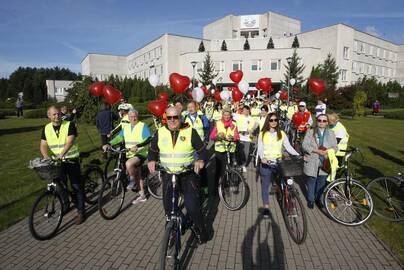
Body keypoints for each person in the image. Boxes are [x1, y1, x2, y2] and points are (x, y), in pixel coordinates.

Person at [148, 107, 208, 243]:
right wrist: (151, 159)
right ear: (166, 118)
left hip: (187, 175)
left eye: (175, 117)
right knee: (168, 206)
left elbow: (202, 150)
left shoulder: (190, 132)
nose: (173, 120)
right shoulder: (160, 132)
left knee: (192, 207)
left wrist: (200, 160)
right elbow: (152, 150)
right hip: (169, 174)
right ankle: (174, 226)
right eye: (169, 118)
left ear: (180, 117)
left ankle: (201, 230)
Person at [40, 106, 85, 224]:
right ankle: (66, 205)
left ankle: (81, 212)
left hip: (71, 159)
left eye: (58, 114)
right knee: (60, 185)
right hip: (58, 161)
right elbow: (43, 145)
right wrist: (45, 157)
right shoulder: (46, 128)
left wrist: (62, 154)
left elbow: (70, 141)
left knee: (76, 185)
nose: (57, 116)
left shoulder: (69, 124)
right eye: (54, 114)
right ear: (49, 116)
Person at [103, 109, 151, 204]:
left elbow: (148, 139)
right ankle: (142, 195)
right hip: (129, 153)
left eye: (135, 116)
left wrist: (138, 146)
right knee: (138, 175)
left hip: (141, 153)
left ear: (138, 116)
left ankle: (132, 180)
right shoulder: (126, 127)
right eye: (131, 116)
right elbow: (119, 138)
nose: (133, 118)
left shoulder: (142, 126)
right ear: (128, 118)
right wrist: (108, 144)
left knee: (129, 164)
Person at [257, 112, 300, 218]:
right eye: (271, 120)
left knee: (288, 182)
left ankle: (290, 202)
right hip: (266, 163)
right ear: (268, 121)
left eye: (275, 120)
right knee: (265, 185)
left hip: (279, 163)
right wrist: (263, 158)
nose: (273, 122)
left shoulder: (281, 133)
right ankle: (266, 207)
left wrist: (298, 155)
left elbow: (288, 147)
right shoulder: (262, 134)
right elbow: (260, 148)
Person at [302, 113, 338, 209]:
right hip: (312, 160)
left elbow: (335, 147)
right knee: (311, 181)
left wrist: (328, 151)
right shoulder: (310, 132)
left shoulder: (331, 133)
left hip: (325, 162)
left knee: (321, 182)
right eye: (319, 120)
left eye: (324, 121)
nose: (321, 122)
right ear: (317, 121)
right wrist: (316, 150)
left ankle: (317, 198)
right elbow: (304, 145)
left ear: (327, 123)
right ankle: (310, 199)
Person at [210, 108, 240, 190]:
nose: (226, 116)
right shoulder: (218, 123)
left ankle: (228, 184)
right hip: (220, 150)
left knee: (229, 168)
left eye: (228, 115)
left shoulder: (234, 124)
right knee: (219, 169)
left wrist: (233, 137)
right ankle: (216, 187)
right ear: (222, 115)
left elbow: (237, 137)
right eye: (225, 114)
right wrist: (218, 136)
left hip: (230, 149)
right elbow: (212, 136)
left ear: (231, 115)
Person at [234, 105, 255, 173]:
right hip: (239, 137)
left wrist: (251, 130)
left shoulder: (251, 119)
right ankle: (238, 164)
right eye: (244, 110)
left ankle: (243, 165)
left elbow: (252, 128)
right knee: (239, 152)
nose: (245, 111)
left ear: (249, 111)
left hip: (247, 138)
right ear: (242, 111)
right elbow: (230, 113)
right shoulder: (239, 116)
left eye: (247, 110)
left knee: (246, 152)